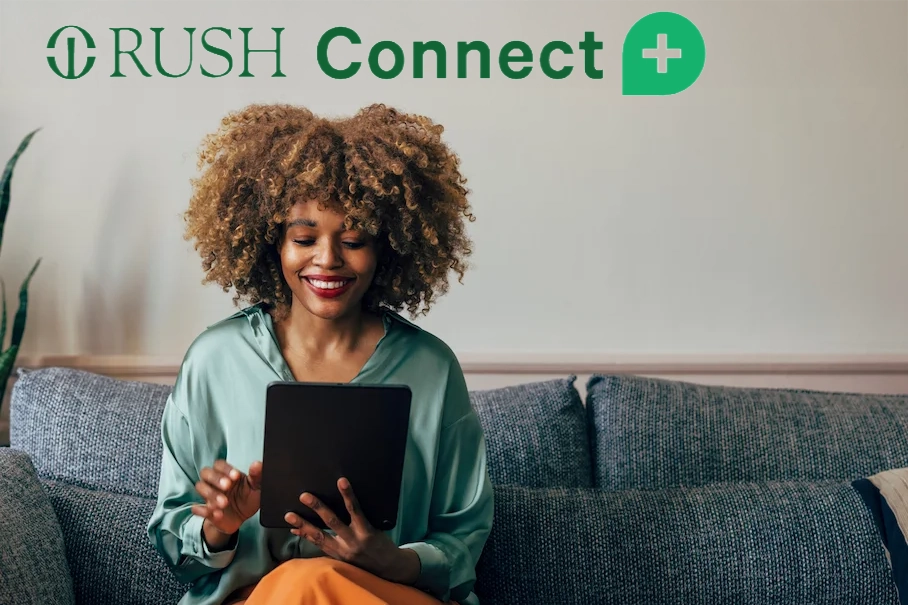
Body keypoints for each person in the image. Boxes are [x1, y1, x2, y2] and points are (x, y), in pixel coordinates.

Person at [146, 103, 494, 605]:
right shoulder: (214, 360)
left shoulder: (432, 369)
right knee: (299, 586)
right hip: (254, 599)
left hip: (388, 596)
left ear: (387, 249)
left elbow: (463, 537)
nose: (327, 259)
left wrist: (393, 560)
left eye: (353, 240)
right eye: (304, 238)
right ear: (273, 244)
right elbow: (175, 539)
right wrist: (218, 528)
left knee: (312, 584)